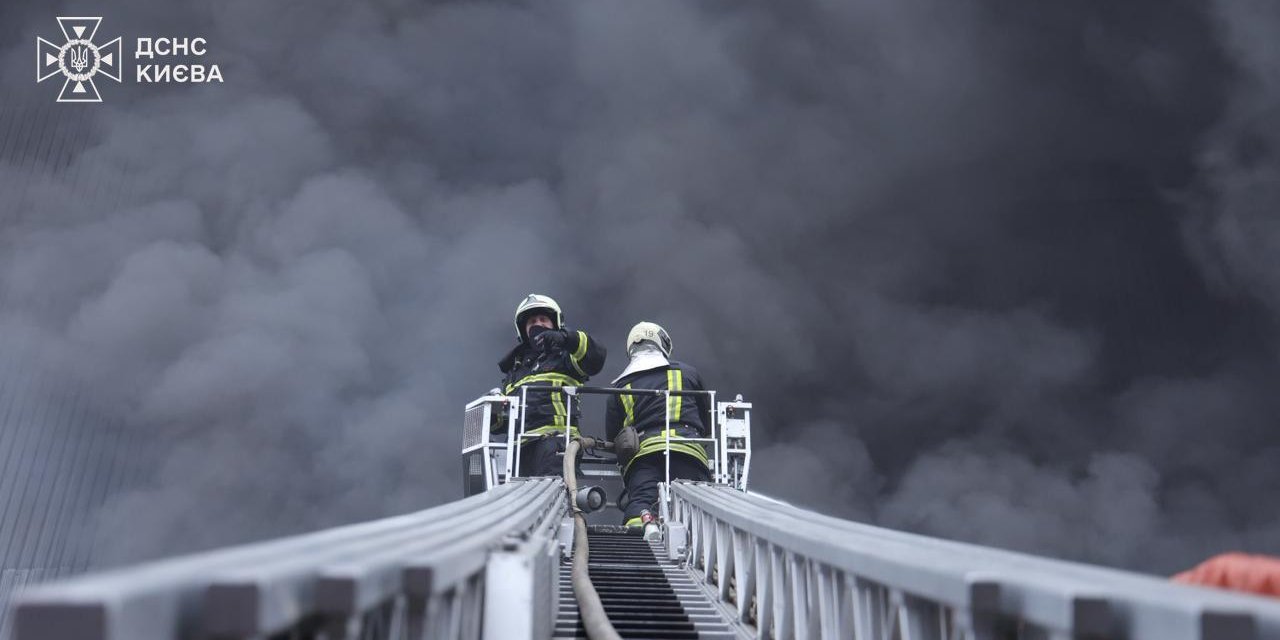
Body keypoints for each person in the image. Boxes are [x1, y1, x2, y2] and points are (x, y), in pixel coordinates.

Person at [604, 322, 711, 538]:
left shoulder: (621, 385)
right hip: (688, 450)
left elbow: (613, 435)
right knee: (696, 505)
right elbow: (706, 421)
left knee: (641, 501)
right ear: (663, 344)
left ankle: (638, 539)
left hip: (643, 456)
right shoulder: (687, 373)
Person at [497, 294, 606, 476]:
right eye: (532, 322)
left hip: (556, 445)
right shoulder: (514, 371)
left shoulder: (566, 357)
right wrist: (494, 414)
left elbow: (596, 357)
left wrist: (567, 339)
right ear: (523, 330)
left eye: (543, 319)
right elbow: (503, 422)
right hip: (518, 453)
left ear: (555, 323)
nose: (538, 324)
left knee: (553, 491)